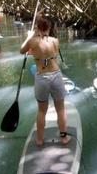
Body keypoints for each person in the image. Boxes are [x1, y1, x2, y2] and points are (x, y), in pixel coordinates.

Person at [20, 16, 70, 146]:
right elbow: (48, 54)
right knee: (61, 109)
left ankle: (40, 140)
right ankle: (64, 138)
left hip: (42, 77)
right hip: (56, 75)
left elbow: (23, 51)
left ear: (37, 27)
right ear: (50, 27)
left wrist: (29, 36)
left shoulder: (33, 42)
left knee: (42, 111)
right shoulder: (55, 41)